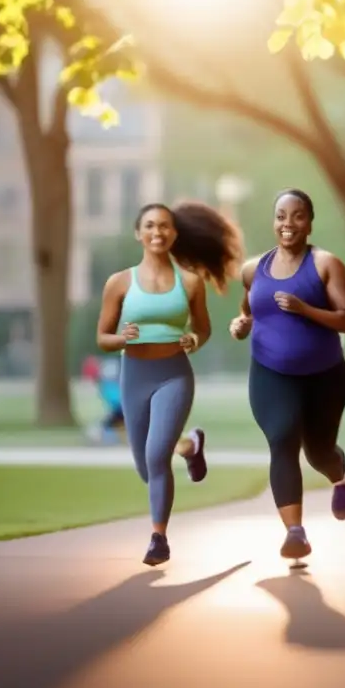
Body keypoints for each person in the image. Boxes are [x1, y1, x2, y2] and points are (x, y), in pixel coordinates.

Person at [96, 202, 237, 566]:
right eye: (149, 226)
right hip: (135, 376)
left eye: (164, 226)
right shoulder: (120, 282)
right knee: (146, 467)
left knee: (157, 457)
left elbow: (203, 329)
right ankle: (190, 446)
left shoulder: (189, 282)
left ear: (174, 234)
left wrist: (194, 340)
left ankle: (158, 538)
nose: (157, 232)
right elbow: (102, 338)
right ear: (138, 233)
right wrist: (122, 339)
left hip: (174, 374)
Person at [229, 188, 345, 563]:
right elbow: (250, 309)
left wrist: (306, 310)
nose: (289, 224)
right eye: (282, 216)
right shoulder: (253, 269)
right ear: (274, 221)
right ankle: (295, 532)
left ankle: (341, 477)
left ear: (309, 221)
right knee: (282, 438)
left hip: (325, 376)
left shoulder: (325, 265)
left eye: (297, 216)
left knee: (318, 452)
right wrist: (241, 325)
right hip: (270, 373)